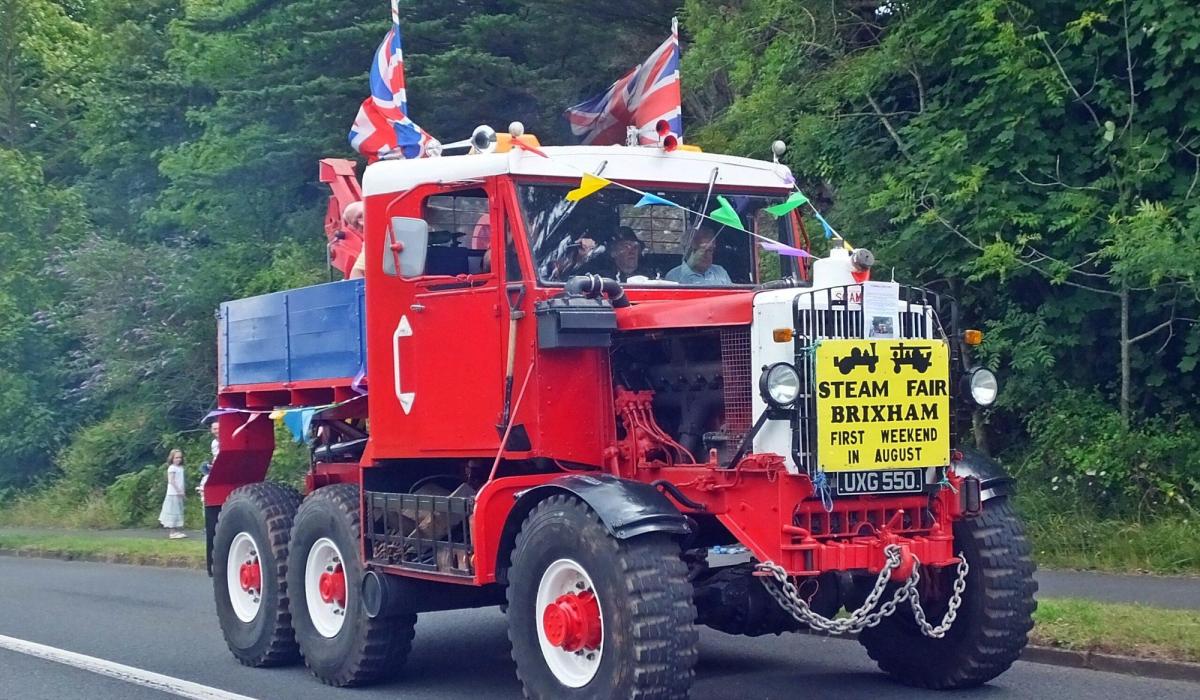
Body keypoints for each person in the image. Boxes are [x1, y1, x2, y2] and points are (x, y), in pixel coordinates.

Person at [665, 226, 732, 285]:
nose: (708, 255)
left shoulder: (720, 272)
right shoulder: (674, 276)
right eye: (703, 250)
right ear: (688, 250)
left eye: (710, 250)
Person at [159, 449, 188, 539]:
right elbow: (171, 481)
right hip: (173, 493)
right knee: (173, 511)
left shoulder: (180, 468)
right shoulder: (172, 468)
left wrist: (182, 491)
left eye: (179, 457)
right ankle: (172, 532)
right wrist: (178, 490)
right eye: (176, 458)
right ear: (172, 458)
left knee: (178, 511)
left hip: (179, 493)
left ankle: (176, 530)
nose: (178, 459)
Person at [342, 201, 368, 279]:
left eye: (360, 215)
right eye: (356, 224)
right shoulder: (370, 244)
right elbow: (356, 273)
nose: (362, 223)